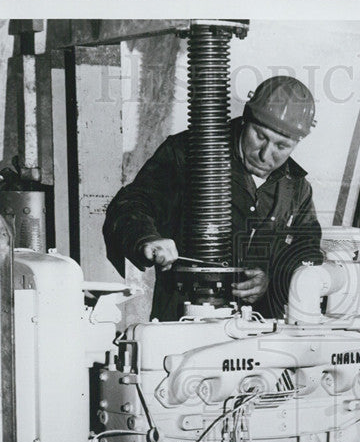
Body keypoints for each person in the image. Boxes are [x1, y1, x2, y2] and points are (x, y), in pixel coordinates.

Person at [103, 75, 323, 321]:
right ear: (246, 119)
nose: (264, 154)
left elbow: (307, 252)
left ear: (297, 142)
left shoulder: (296, 188)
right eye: (260, 136)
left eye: (281, 147)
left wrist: (272, 280)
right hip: (184, 324)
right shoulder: (189, 153)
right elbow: (131, 204)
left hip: (259, 335)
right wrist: (147, 237)